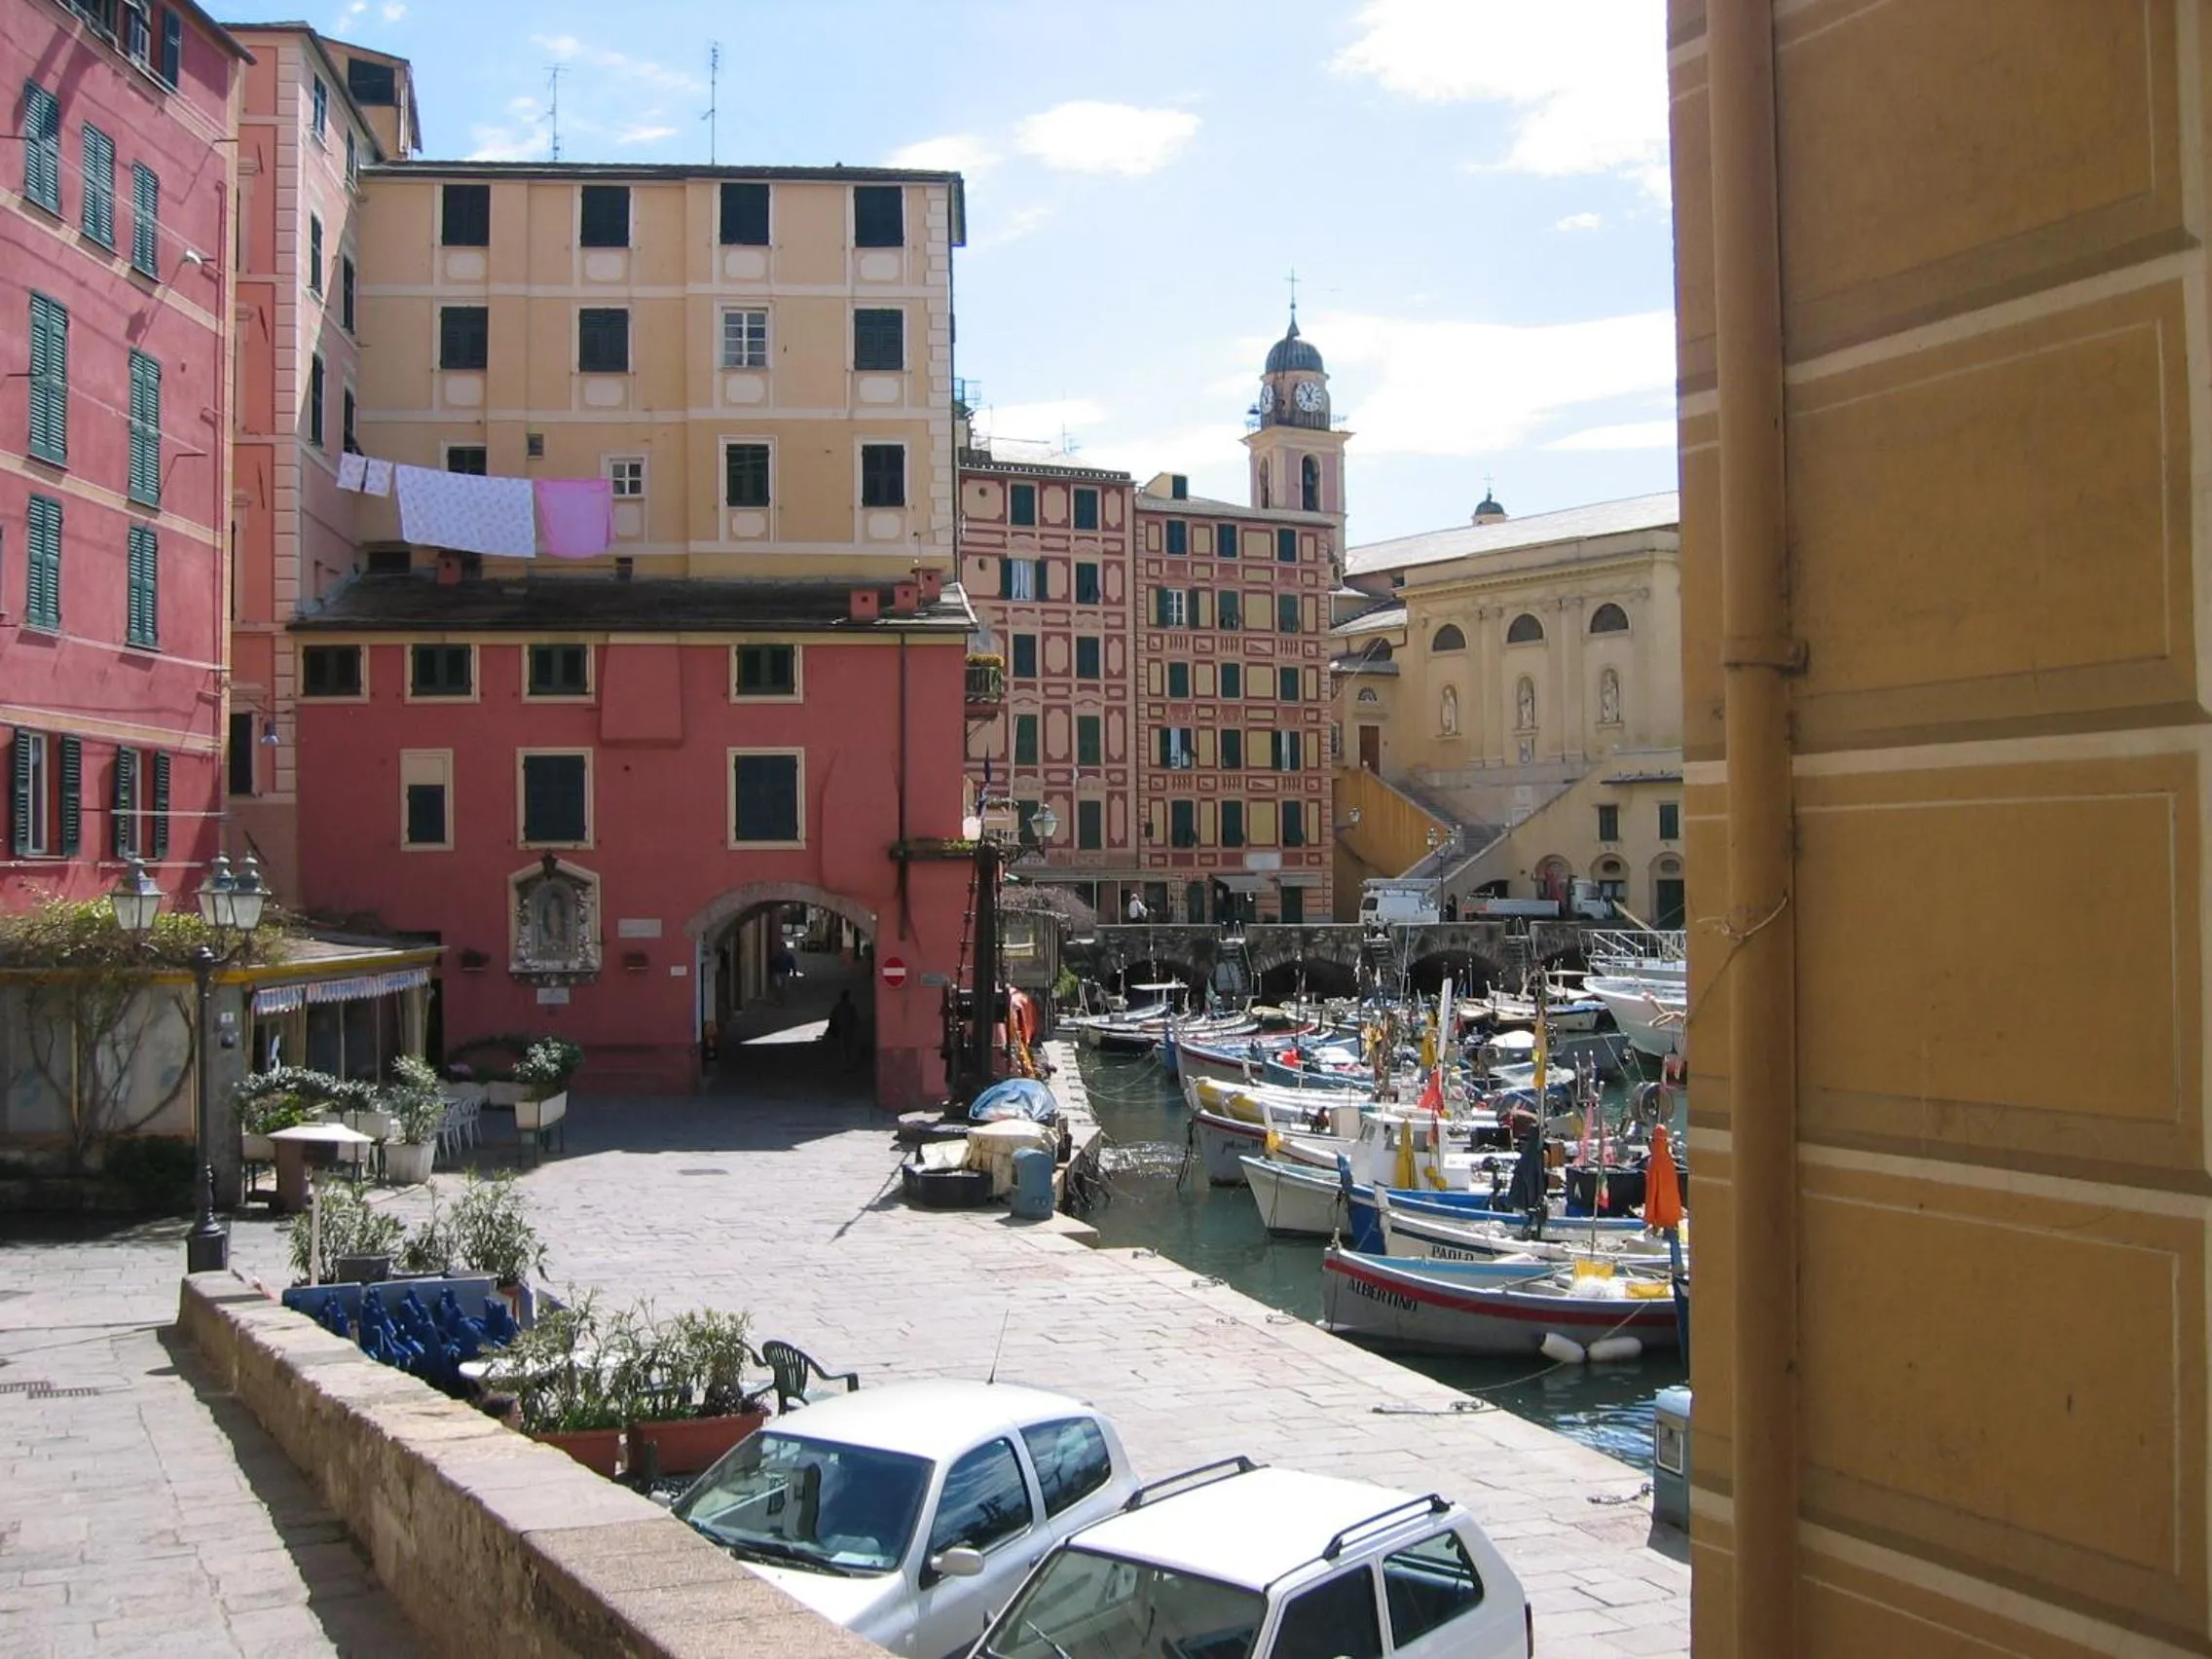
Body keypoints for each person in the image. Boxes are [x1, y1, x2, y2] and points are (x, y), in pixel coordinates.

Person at [824, 988, 859, 1066]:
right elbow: (855, 1018)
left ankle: (846, 1063)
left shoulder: (838, 1007)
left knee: (844, 1047)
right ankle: (850, 1063)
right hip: (849, 1029)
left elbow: (832, 1018)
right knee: (850, 1046)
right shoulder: (851, 1007)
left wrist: (831, 1028)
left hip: (841, 1029)